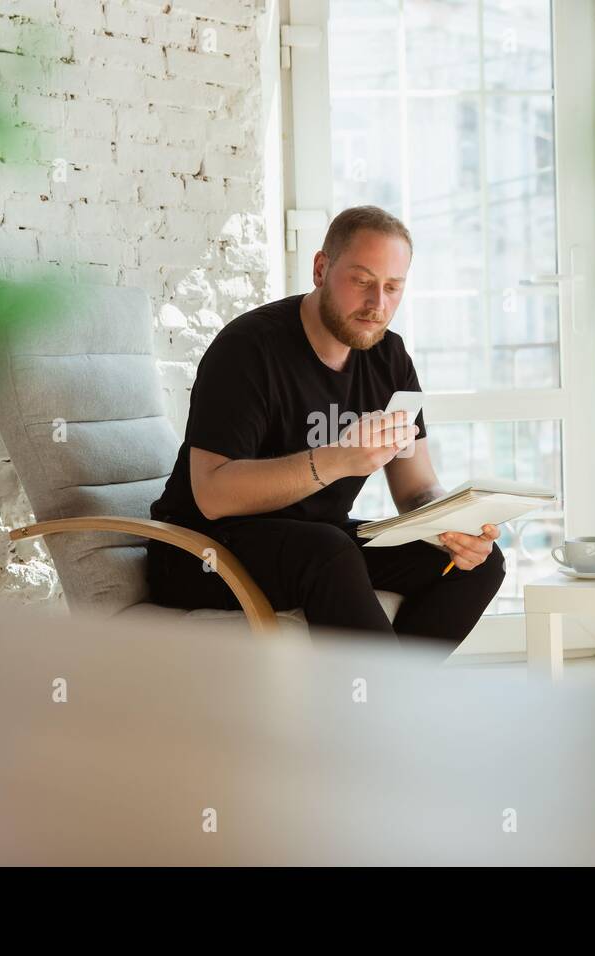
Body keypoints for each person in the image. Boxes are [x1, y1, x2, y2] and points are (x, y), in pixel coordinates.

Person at [147, 205, 505, 647]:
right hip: (200, 551)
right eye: (362, 281)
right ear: (321, 268)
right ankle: (383, 708)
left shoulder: (390, 358)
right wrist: (334, 461)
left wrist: (452, 524)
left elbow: (416, 489)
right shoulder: (248, 349)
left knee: (477, 563)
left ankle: (390, 697)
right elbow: (212, 494)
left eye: (393, 287)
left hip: (318, 543)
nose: (378, 304)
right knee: (328, 550)